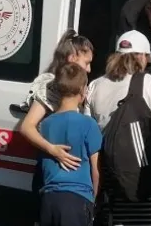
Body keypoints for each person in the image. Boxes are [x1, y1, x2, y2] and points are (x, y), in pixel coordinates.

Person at [85, 30, 151, 226]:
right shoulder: (146, 82)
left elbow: (90, 133)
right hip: (141, 176)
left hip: (109, 176)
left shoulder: (95, 85)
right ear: (142, 57)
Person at [38, 63, 102, 226]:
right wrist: (94, 200)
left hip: (48, 199)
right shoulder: (89, 124)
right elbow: (96, 170)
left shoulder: (45, 125)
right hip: (77, 200)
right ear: (83, 91)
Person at [18, 29, 94, 171]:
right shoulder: (51, 86)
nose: (89, 69)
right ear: (72, 58)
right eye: (86, 62)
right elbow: (27, 127)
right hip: (50, 165)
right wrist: (52, 150)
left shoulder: (77, 87)